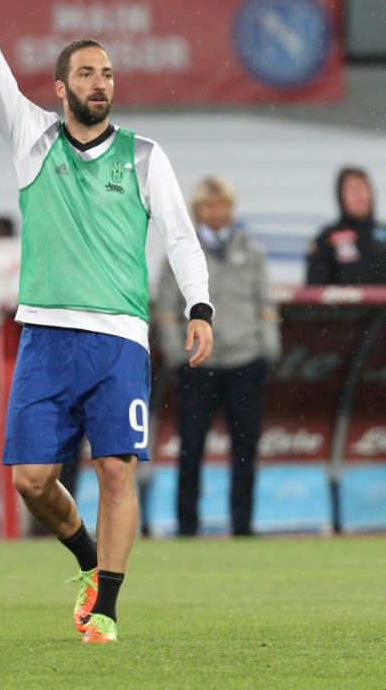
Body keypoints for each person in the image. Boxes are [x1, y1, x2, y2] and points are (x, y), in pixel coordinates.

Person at [0, 0, 213, 643]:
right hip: (45, 335)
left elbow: (180, 236)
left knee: (116, 472)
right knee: (31, 480)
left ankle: (107, 609)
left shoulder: (146, 157)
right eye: (87, 73)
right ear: (60, 88)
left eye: (109, 73)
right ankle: (90, 561)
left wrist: (199, 306)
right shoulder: (31, 138)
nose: (101, 83)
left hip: (119, 340)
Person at [156, 176, 280, 537]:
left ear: (230, 208)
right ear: (197, 211)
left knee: (246, 448)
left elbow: (265, 302)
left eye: (222, 205)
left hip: (245, 359)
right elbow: (165, 307)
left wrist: (267, 347)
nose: (216, 212)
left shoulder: (250, 249)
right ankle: (187, 526)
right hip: (199, 363)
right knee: (190, 447)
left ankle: (243, 525)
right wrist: (179, 355)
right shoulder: (182, 251)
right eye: (209, 206)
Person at [306, 166, 386, 285]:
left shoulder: (383, 234)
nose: (360, 196)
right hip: (341, 303)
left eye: (363, 188)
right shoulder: (325, 240)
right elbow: (314, 291)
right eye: (353, 190)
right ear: (341, 196)